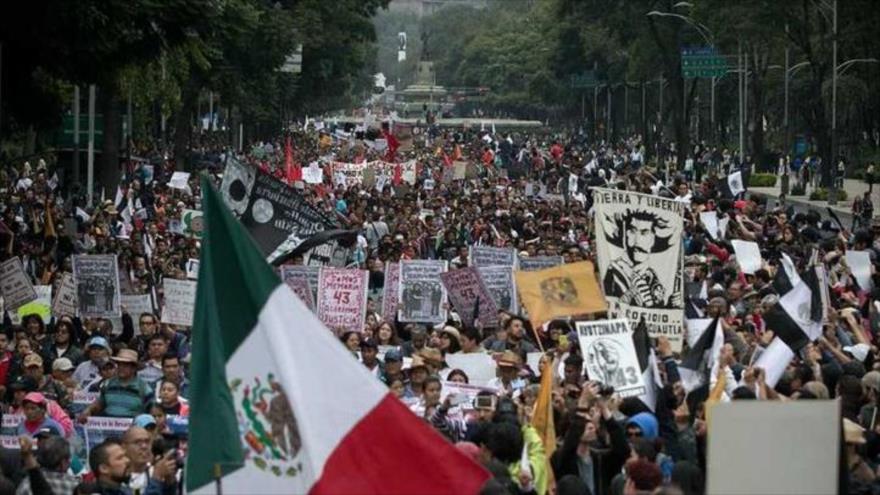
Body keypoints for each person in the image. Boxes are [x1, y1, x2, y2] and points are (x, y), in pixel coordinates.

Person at [82, 438, 177, 495]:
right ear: (104, 468)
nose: (127, 461)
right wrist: (156, 478)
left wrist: (169, 481)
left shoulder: (124, 490)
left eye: (125, 456)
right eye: (120, 458)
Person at [78, 349, 153, 420]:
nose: (121, 368)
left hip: (133, 429)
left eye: (125, 365)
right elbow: (100, 403)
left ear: (134, 368)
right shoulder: (108, 384)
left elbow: (151, 410)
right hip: (108, 427)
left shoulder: (144, 388)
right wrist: (88, 410)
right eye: (119, 364)